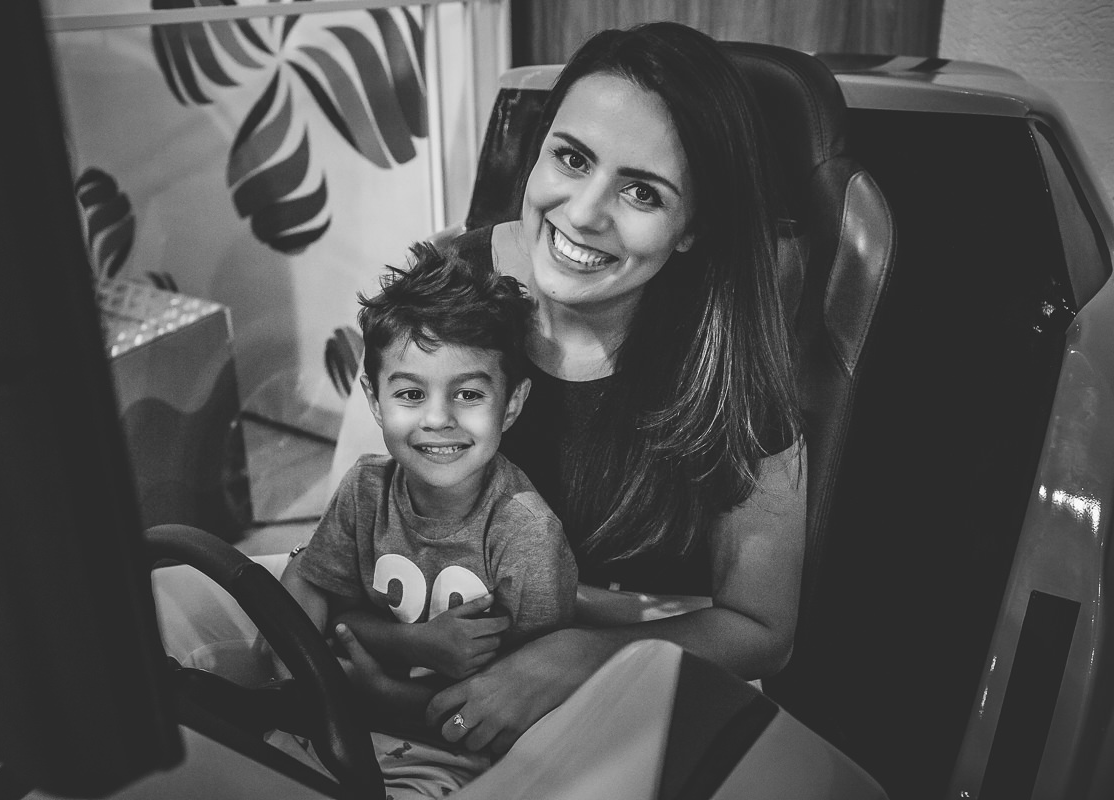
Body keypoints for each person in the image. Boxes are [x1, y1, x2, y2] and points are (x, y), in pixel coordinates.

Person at [331, 20, 806, 758]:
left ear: (692, 227)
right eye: (572, 158)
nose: (583, 213)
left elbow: (763, 630)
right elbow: (353, 522)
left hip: (633, 694)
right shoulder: (446, 287)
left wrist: (581, 655)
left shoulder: (731, 364)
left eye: (642, 192)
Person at [275, 241, 578, 797]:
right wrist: (410, 645)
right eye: (412, 393)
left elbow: (523, 706)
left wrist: (382, 693)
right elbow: (324, 600)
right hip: (334, 720)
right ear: (374, 400)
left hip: (450, 757)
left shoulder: (526, 534)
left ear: (511, 404)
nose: (438, 418)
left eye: (468, 394)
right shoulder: (365, 489)